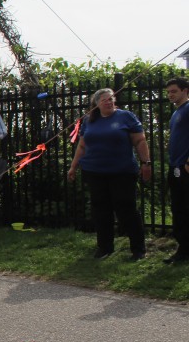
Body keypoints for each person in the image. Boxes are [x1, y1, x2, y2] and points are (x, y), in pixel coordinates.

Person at [67, 88, 151, 260]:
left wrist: (146, 163)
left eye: (111, 98)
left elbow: (140, 141)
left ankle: (138, 249)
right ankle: (105, 247)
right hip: (94, 172)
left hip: (122, 172)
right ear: (96, 103)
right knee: (101, 210)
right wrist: (73, 167)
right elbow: (82, 146)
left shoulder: (126, 117)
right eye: (104, 99)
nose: (109, 102)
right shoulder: (89, 120)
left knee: (126, 209)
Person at [164, 77, 189, 264]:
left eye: (174, 91)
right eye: (168, 92)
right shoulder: (177, 112)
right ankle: (183, 250)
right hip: (175, 166)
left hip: (185, 166)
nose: (170, 95)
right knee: (179, 209)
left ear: (185, 91)